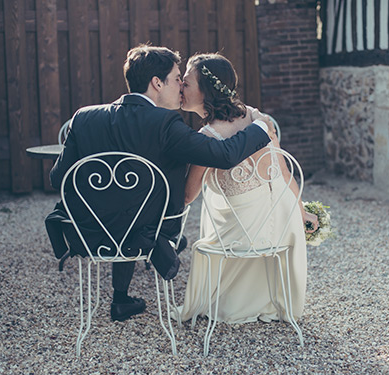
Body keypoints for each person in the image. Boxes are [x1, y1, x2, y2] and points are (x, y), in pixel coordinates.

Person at [46, 44, 274, 323]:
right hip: (146, 236)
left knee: (124, 205)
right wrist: (260, 126)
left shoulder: (84, 117)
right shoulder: (166, 124)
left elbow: (58, 178)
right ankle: (124, 294)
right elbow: (224, 155)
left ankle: (121, 298)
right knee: (137, 209)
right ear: (157, 83)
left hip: (89, 233)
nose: (181, 86)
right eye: (177, 78)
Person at [178, 53, 318, 324]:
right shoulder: (259, 118)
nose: (181, 88)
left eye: (186, 83)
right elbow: (284, 172)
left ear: (205, 90)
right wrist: (302, 214)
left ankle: (232, 300)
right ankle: (270, 299)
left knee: (206, 234)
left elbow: (188, 196)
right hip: (281, 224)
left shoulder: (207, 138)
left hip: (243, 233)